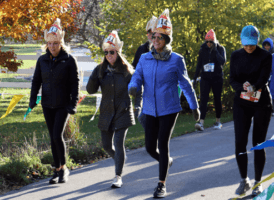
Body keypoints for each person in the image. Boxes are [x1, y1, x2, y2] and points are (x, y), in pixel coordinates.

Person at [128, 9, 200, 198]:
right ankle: (165, 161)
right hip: (150, 108)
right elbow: (137, 76)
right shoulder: (145, 58)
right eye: (154, 36)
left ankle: (161, 184)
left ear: (167, 40)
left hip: (169, 108)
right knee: (150, 147)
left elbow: (186, 84)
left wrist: (194, 106)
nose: (156, 40)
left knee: (163, 141)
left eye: (160, 37)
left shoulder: (177, 60)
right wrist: (133, 86)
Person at [86, 30, 141, 188]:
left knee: (118, 143)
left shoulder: (127, 71)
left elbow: (139, 90)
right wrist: (95, 74)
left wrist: (137, 105)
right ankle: (120, 159)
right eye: (106, 52)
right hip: (106, 111)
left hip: (123, 111)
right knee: (106, 146)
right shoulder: (100, 69)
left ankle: (118, 176)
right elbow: (90, 90)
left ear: (118, 52)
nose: (109, 55)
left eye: (112, 52)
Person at [29, 18, 79, 184]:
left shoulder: (69, 60)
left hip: (62, 105)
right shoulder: (42, 60)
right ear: (46, 44)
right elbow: (36, 81)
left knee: (57, 135)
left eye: (55, 43)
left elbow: (75, 83)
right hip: (47, 104)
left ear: (61, 43)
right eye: (49, 44)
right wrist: (32, 100)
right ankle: (56, 170)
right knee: (52, 137)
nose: (52, 47)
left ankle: (64, 169)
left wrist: (73, 103)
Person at [230, 25, 272, 196]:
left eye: (252, 44)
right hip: (242, 102)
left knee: (258, 143)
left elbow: (264, 78)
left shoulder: (265, 56)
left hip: (261, 102)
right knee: (240, 141)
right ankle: (244, 180)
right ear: (242, 42)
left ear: (257, 41)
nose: (248, 47)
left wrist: (253, 87)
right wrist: (242, 88)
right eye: (246, 44)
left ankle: (257, 182)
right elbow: (232, 80)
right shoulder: (236, 55)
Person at [193, 29, 226, 131]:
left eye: (210, 42)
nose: (208, 44)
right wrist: (194, 78)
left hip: (217, 77)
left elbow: (222, 61)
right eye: (207, 41)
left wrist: (215, 50)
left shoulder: (220, 49)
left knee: (217, 99)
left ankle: (218, 121)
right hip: (205, 78)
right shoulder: (203, 49)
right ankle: (201, 122)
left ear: (214, 42)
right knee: (203, 99)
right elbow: (199, 64)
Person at [132, 15, 157, 129]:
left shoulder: (164, 52)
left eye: (152, 33)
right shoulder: (142, 49)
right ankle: (153, 140)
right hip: (144, 91)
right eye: (148, 33)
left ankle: (156, 140)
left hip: (158, 92)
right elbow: (134, 70)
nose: (150, 35)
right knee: (143, 118)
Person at [262, 38, 274, 116]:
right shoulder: (261, 54)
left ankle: (272, 109)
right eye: (265, 45)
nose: (266, 47)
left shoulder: (272, 55)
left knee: (272, 91)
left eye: (268, 45)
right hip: (264, 76)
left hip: (272, 76)